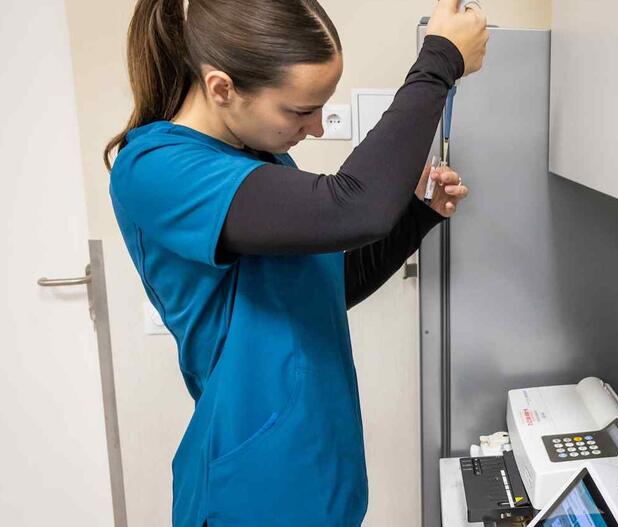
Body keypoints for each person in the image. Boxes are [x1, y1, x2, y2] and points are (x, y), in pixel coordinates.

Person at [104, 0, 488, 525]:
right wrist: (439, 60)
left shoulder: (260, 158)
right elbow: (355, 206)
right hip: (253, 490)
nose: (317, 128)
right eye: (301, 110)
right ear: (221, 88)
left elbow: (328, 284)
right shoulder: (156, 167)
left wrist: (417, 216)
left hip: (316, 469)